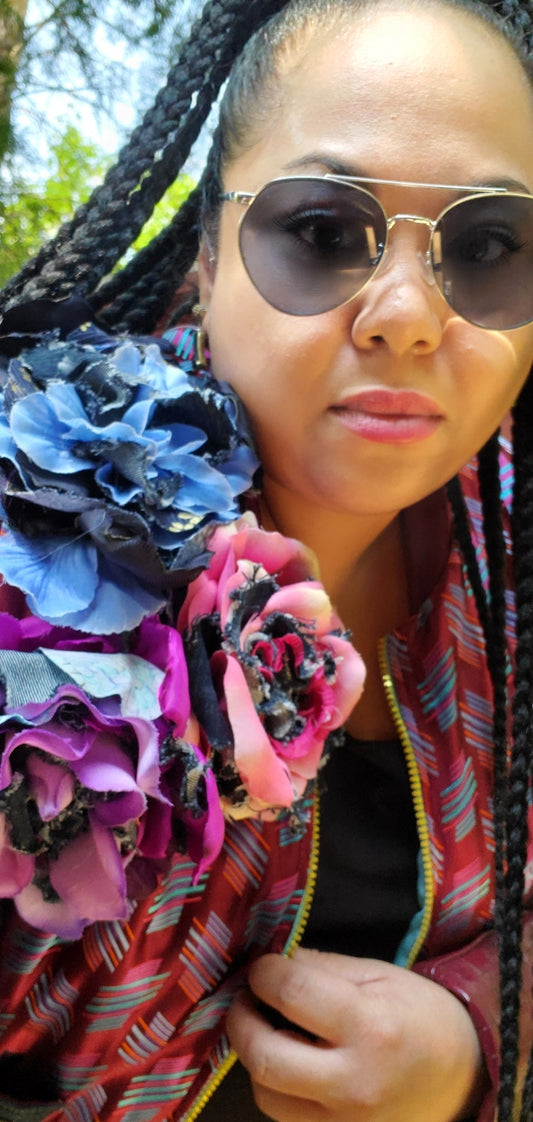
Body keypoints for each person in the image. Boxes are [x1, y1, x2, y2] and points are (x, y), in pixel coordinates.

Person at [0, 0, 532, 1120]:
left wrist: (475, 1038)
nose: (407, 315)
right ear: (203, 255)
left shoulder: (510, 547)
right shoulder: (23, 551)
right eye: (325, 231)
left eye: (484, 247)